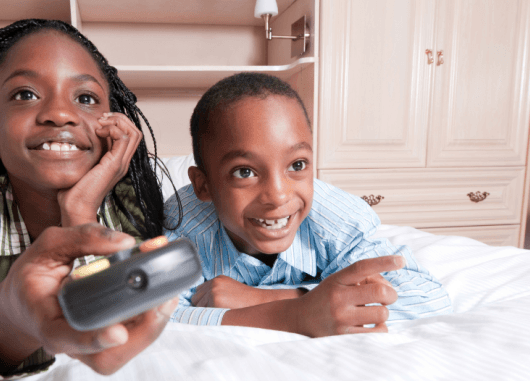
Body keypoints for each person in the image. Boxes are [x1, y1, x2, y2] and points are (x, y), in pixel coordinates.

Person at [0, 19, 178, 381]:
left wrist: (79, 212)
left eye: (86, 98)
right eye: (25, 94)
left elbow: (117, 321)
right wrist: (12, 321)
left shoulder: (126, 200)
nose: (59, 114)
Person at [165, 72, 451, 336]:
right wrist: (295, 316)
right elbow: (161, 315)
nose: (278, 195)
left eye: (297, 165)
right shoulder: (184, 229)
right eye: (245, 172)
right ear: (204, 185)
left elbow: (427, 297)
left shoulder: (336, 221)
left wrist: (289, 302)